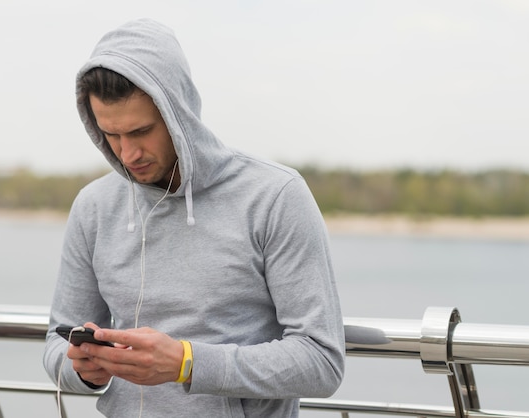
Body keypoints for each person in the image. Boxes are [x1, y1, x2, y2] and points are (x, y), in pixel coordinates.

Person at [43, 18, 345, 417]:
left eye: (141, 131)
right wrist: (83, 369)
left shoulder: (275, 195)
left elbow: (321, 361)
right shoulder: (94, 206)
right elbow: (56, 342)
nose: (127, 153)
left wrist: (187, 363)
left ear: (178, 111)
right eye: (111, 135)